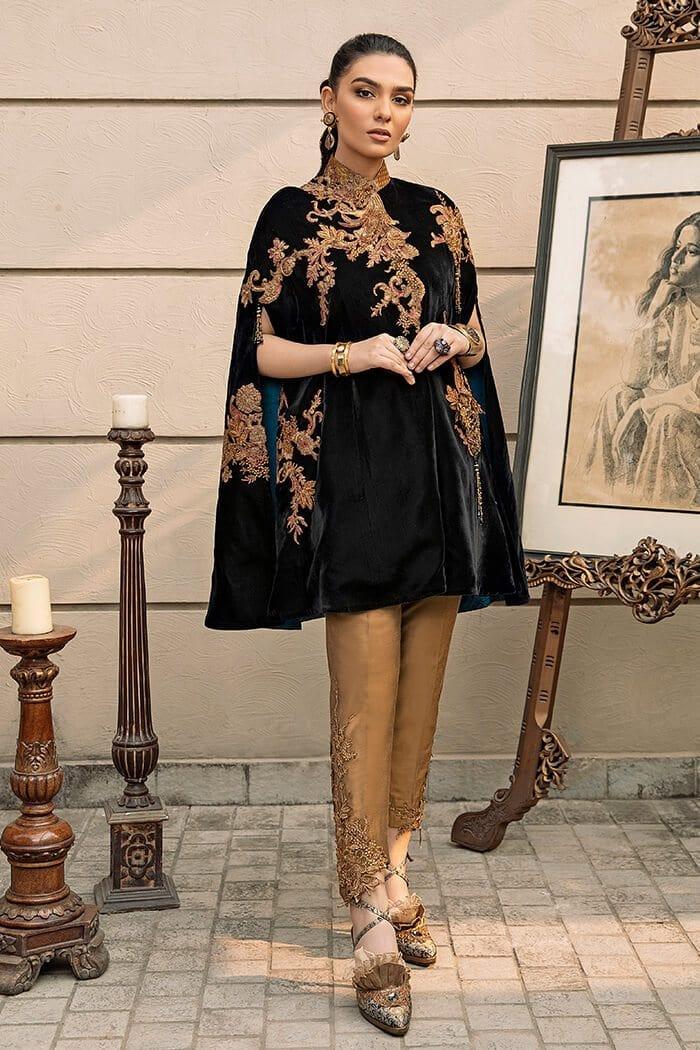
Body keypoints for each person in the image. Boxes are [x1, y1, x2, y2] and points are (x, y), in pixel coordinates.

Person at [205, 32, 530, 1035]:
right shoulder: (289, 214)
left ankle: (394, 872)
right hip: (350, 486)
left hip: (440, 479)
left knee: (419, 701)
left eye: (401, 96)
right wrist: (356, 352)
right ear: (328, 99)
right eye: (365, 91)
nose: (385, 111)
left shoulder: (438, 211)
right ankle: (365, 917)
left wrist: (452, 338)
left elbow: (472, 329)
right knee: (364, 701)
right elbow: (262, 349)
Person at [581, 212, 700, 508]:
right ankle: (600, 500)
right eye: (677, 247)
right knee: (618, 397)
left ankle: (658, 517)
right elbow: (634, 378)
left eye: (691, 251)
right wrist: (653, 313)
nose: (676, 258)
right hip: (677, 409)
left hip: (686, 416)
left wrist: (643, 407)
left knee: (668, 417)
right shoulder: (674, 308)